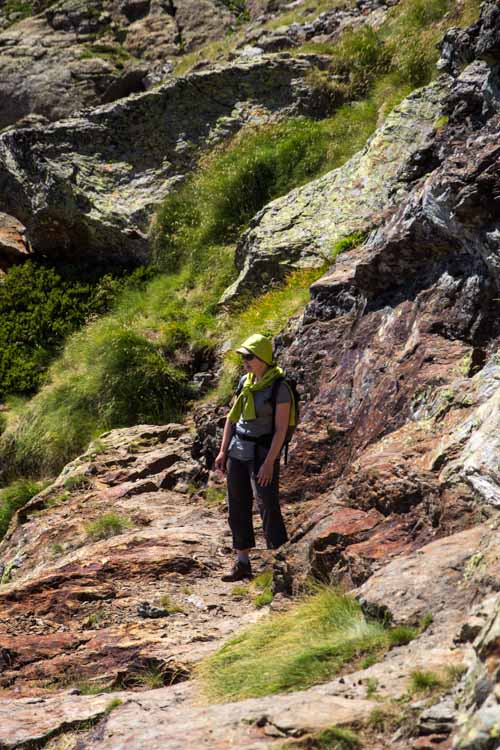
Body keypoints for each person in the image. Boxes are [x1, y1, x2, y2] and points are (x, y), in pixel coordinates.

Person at [214, 333, 296, 582]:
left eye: (249, 357)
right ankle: (242, 562)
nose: (245, 361)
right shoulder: (245, 382)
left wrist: (270, 461)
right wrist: (222, 450)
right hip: (237, 450)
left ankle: (281, 564)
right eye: (243, 357)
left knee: (267, 504)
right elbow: (232, 418)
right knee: (236, 504)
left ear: (263, 357)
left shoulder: (280, 387)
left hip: (262, 453)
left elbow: (281, 429)